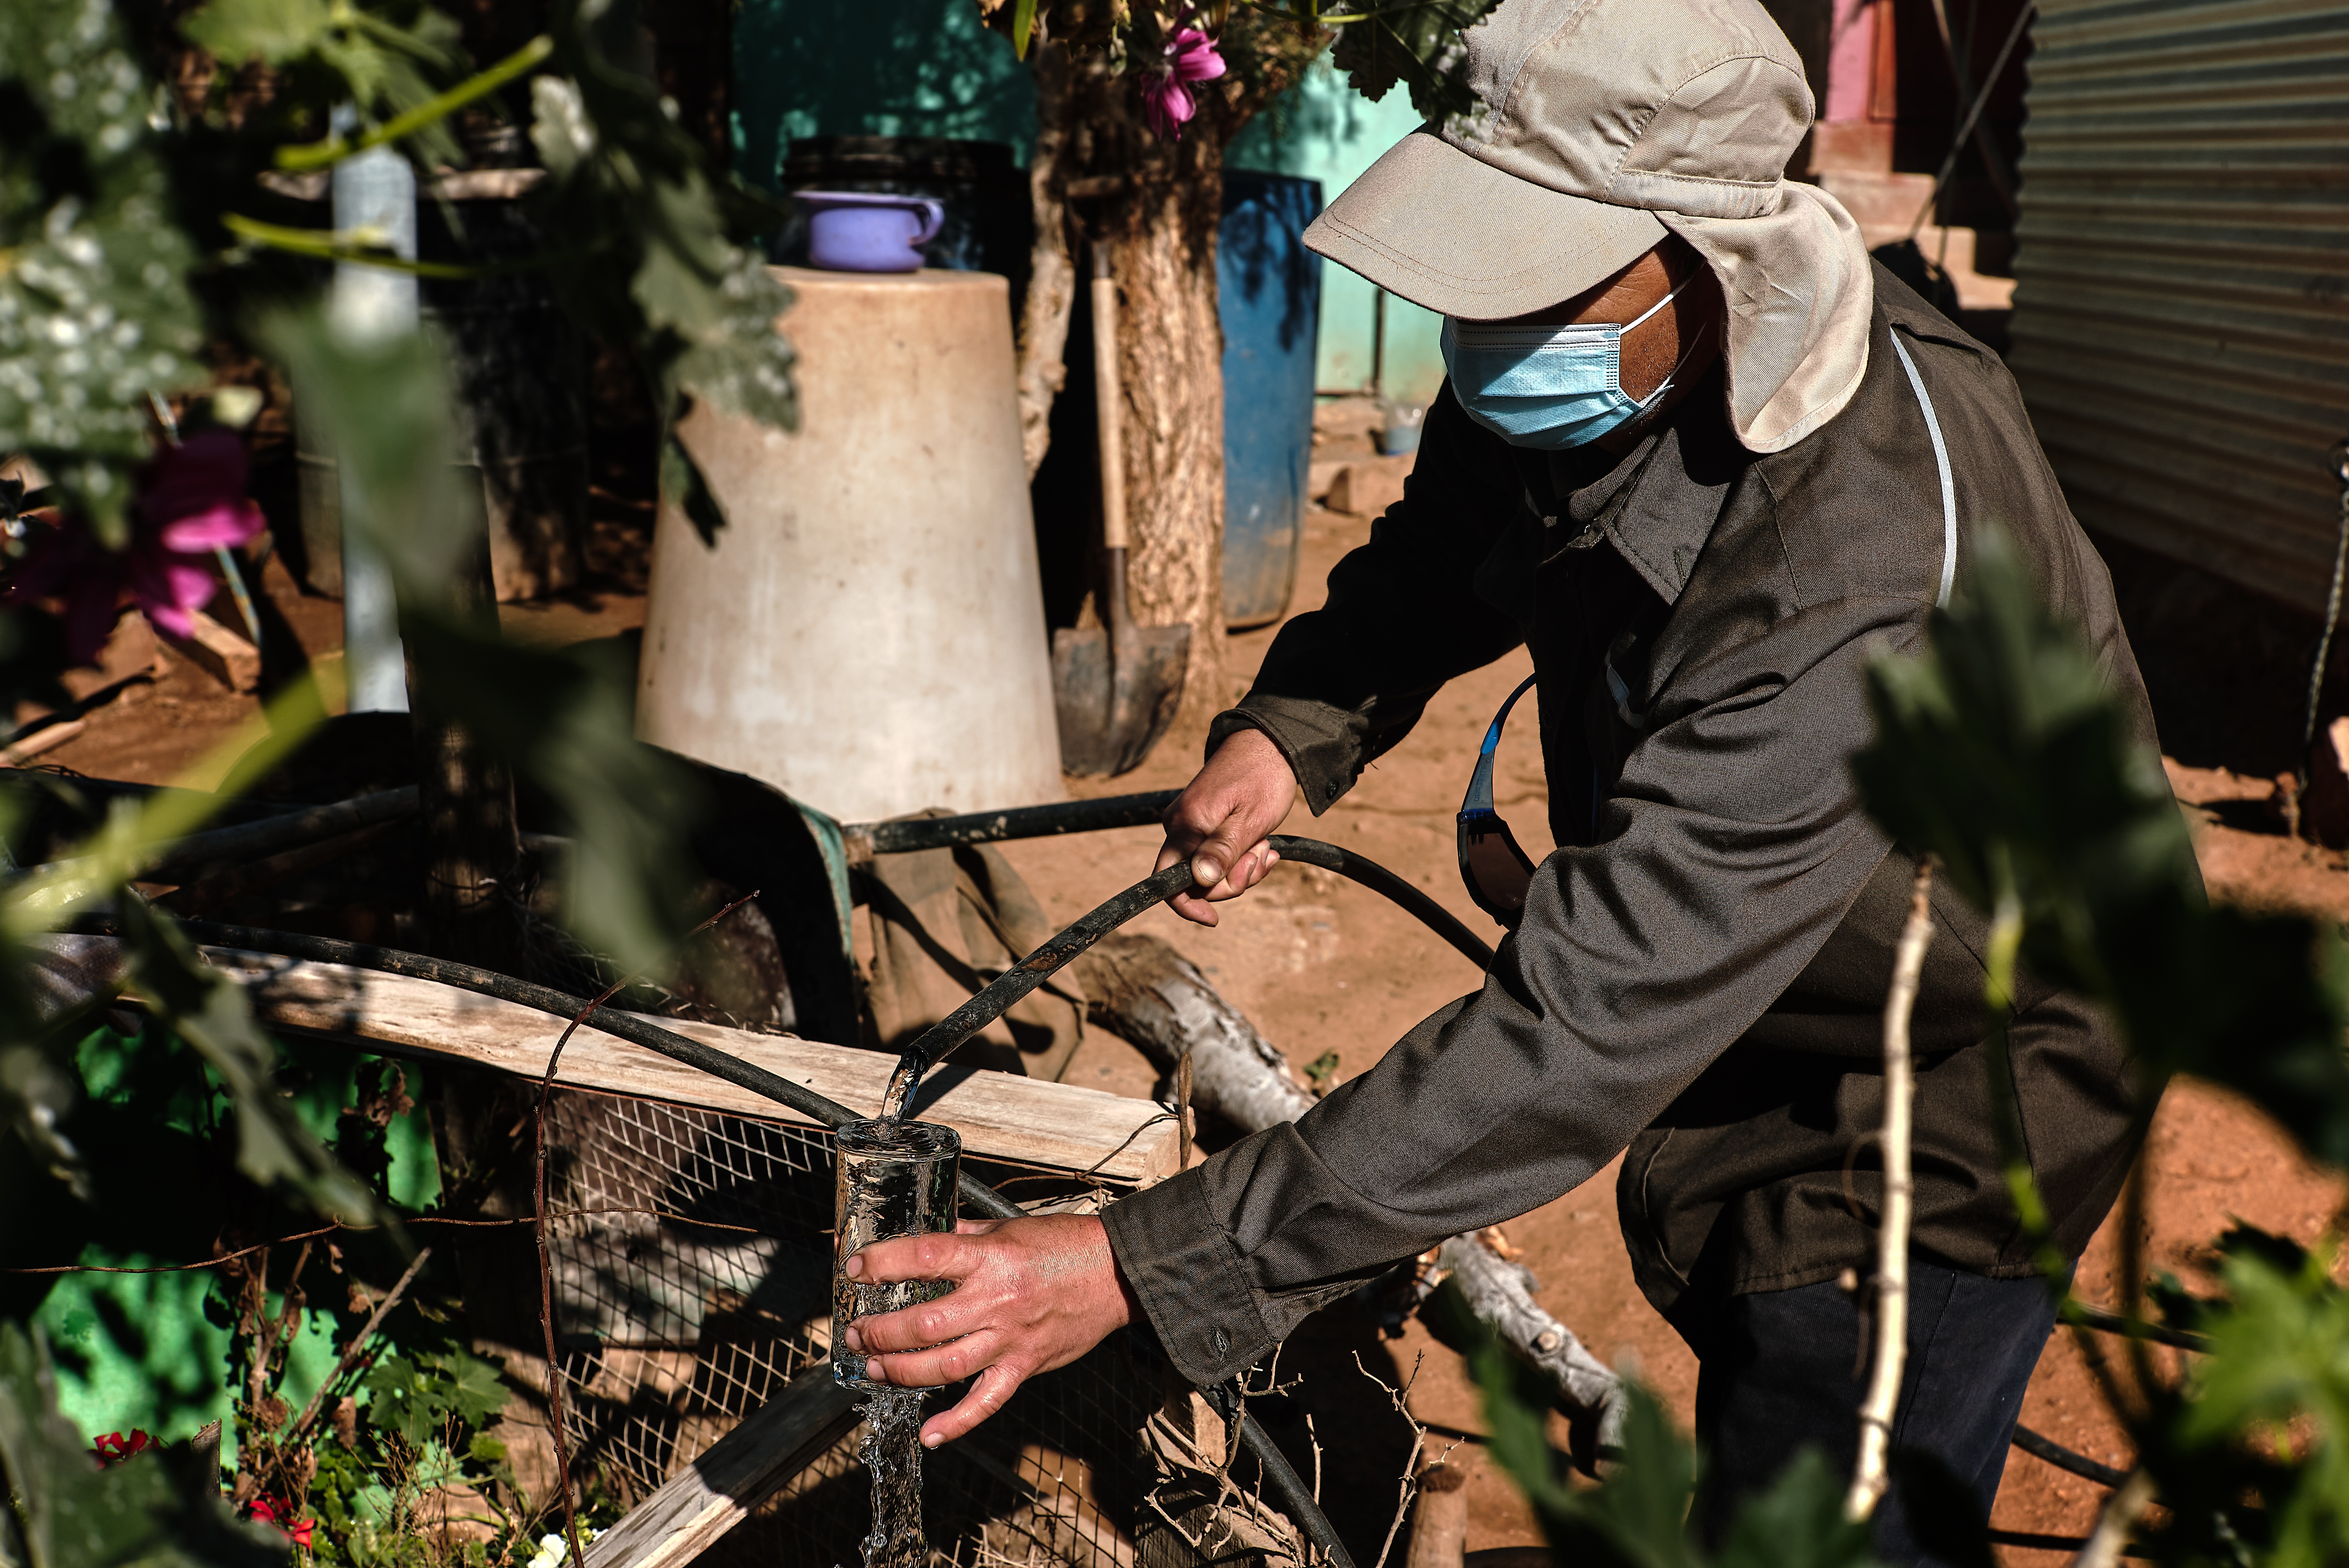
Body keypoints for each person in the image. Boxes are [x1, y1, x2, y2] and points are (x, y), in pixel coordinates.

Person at [838, 0, 2157, 1556]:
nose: (1483, 338)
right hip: (1759, 1001)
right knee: (1748, 1377)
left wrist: (1138, 1261)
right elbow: (1444, 549)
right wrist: (1297, 729)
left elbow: (1589, 1014)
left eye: (1527, 279)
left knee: (1827, 1467)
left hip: (1947, 1074)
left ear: (1706, 261)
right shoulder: (1589, 354)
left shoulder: (1853, 571)